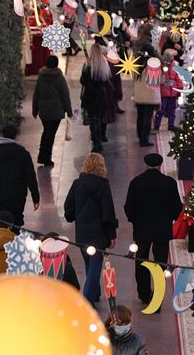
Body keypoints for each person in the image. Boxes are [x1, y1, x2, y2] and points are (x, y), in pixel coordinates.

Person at [124, 152, 182, 303]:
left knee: (141, 260)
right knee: (161, 262)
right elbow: (176, 207)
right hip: (162, 229)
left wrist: (134, 221)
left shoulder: (136, 182)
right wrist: (172, 218)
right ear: (160, 165)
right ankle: (158, 294)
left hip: (142, 229)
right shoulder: (169, 183)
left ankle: (144, 294)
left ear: (146, 165)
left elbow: (129, 207)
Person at [63, 153, 118, 305]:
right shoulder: (103, 185)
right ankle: (87, 300)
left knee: (89, 264)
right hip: (99, 234)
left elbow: (68, 207)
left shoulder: (77, 184)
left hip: (82, 233)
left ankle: (94, 293)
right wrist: (112, 234)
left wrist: (72, 216)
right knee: (94, 268)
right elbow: (108, 213)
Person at [0, 120, 40, 226]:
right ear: (15, 135)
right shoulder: (23, 153)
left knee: (0, 223)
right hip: (17, 196)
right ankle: (15, 240)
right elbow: (30, 177)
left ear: (2, 134)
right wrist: (36, 197)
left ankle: (1, 241)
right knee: (16, 222)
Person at [31, 55, 72, 167]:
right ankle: (46, 157)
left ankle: (43, 156)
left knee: (46, 132)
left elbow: (36, 94)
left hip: (44, 110)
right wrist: (69, 111)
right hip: (56, 111)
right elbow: (65, 95)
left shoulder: (41, 77)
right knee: (50, 134)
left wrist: (35, 110)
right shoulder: (59, 78)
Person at [79, 42, 116, 152]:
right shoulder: (104, 64)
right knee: (99, 120)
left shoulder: (88, 65)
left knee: (93, 121)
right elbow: (106, 80)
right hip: (101, 96)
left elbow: (83, 81)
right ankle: (99, 142)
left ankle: (96, 143)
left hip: (90, 97)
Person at [153, 50, 183, 133]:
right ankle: (156, 126)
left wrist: (180, 87)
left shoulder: (175, 66)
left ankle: (171, 125)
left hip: (173, 92)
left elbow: (178, 78)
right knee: (161, 110)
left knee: (172, 110)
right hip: (164, 92)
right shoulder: (160, 66)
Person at [133, 67, 161, 146]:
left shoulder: (138, 63)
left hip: (139, 94)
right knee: (147, 118)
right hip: (150, 95)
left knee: (140, 116)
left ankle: (140, 135)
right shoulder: (153, 65)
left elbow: (134, 78)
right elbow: (158, 81)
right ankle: (144, 140)